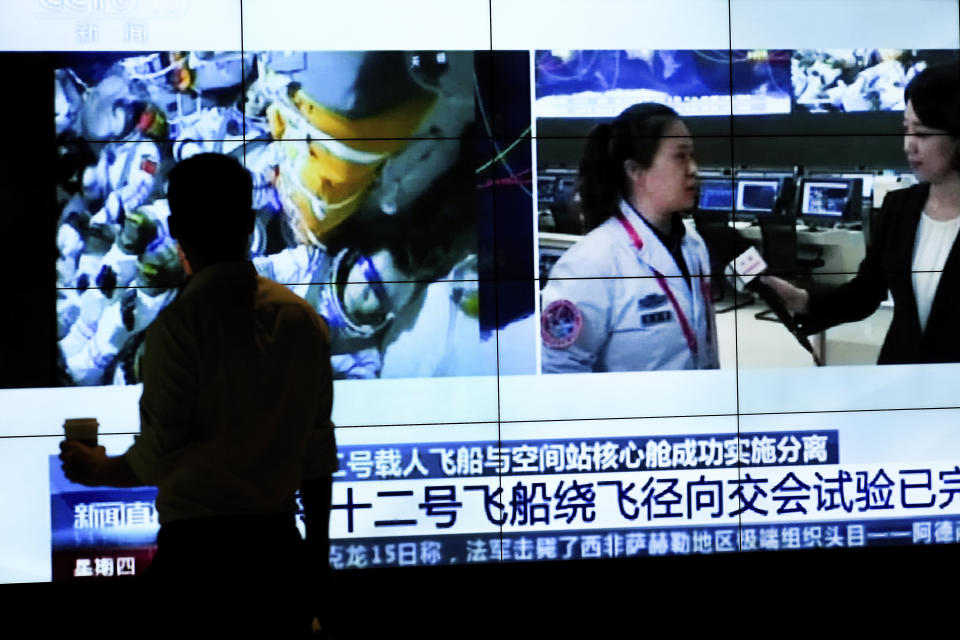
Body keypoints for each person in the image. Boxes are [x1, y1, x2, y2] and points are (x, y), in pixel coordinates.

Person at [58, 153, 337, 635]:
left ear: (177, 227)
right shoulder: (301, 320)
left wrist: (95, 468)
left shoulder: (178, 328)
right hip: (278, 558)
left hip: (198, 564)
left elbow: (158, 455)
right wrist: (315, 570)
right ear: (250, 225)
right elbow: (318, 460)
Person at [765, 63, 960, 365]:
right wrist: (801, 299)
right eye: (905, 129)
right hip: (902, 374)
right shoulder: (900, 208)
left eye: (921, 133)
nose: (908, 145)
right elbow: (865, 293)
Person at [540, 103, 718, 372]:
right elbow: (558, 371)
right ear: (636, 171)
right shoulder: (589, 265)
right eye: (680, 157)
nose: (694, 169)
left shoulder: (693, 243)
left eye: (692, 155)